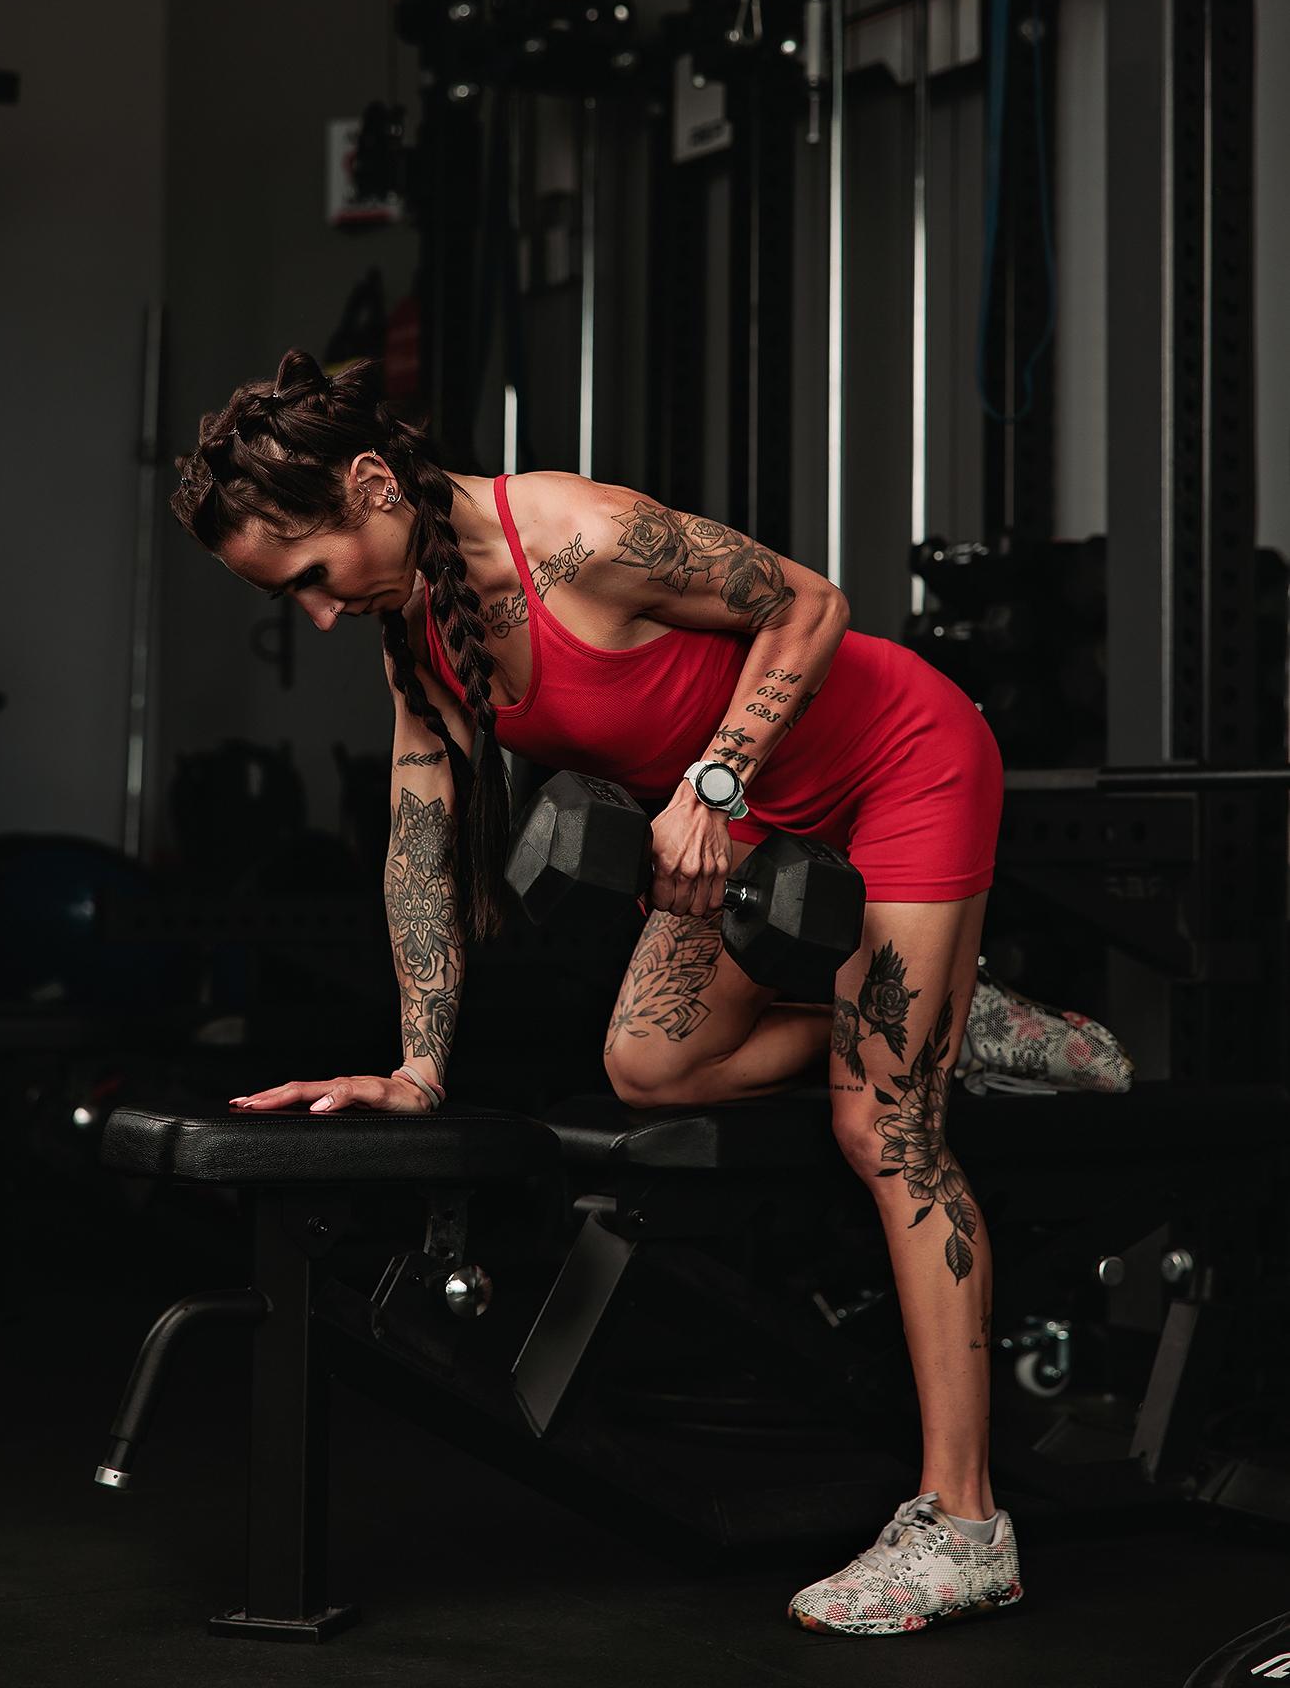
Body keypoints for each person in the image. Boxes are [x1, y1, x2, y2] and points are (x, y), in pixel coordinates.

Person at [173, 347, 1022, 1637]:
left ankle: (966, 1528)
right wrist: (417, 1067)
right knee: (651, 1069)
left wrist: (715, 785)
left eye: (310, 577)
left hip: (893, 761)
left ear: (368, 485)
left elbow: (810, 601)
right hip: (755, 823)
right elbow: (421, 842)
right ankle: (937, 1013)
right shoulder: (422, 635)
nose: (320, 615)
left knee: (882, 1124)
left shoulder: (576, 536)